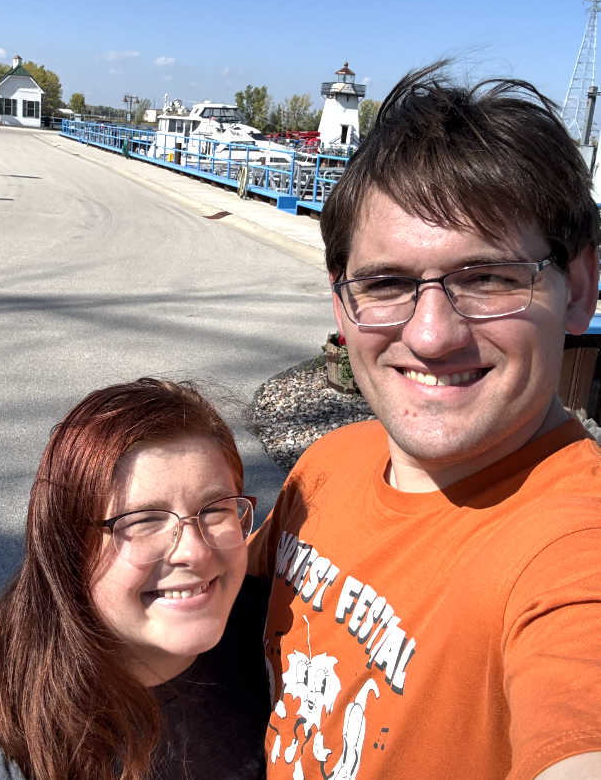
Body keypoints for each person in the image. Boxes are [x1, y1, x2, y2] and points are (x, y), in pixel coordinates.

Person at [248, 62, 601, 780]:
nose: (434, 335)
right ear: (342, 306)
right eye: (386, 283)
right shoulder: (327, 468)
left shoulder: (573, 548)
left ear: (580, 290)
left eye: (488, 278)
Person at [0, 379, 270, 780]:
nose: (194, 551)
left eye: (215, 510)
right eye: (142, 521)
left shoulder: (285, 636)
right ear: (71, 547)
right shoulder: (1, 765)